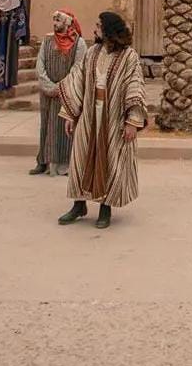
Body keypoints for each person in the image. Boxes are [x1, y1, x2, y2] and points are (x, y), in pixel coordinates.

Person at [57, 12, 148, 230]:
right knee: (80, 157)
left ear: (109, 29)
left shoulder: (129, 57)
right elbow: (77, 80)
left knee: (110, 160)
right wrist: (70, 114)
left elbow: (135, 86)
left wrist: (132, 121)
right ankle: (79, 205)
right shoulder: (91, 53)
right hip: (89, 115)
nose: (94, 28)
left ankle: (105, 208)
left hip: (114, 117)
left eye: (99, 25)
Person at [31, 9, 83, 175]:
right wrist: (49, 87)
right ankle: (44, 161)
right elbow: (40, 66)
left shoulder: (79, 43)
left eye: (58, 20)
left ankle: (65, 163)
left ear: (67, 23)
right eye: (54, 20)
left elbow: (78, 69)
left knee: (64, 127)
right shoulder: (47, 40)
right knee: (46, 126)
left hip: (67, 92)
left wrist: (62, 87)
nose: (55, 24)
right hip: (48, 93)